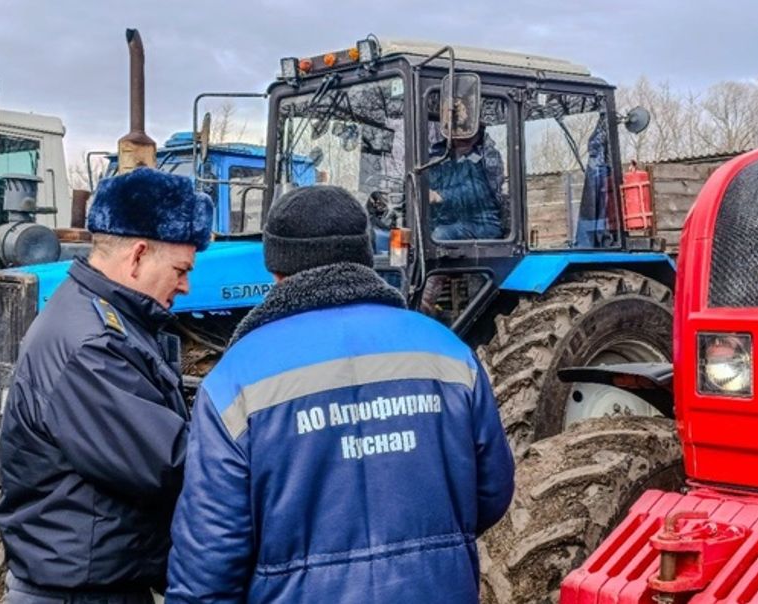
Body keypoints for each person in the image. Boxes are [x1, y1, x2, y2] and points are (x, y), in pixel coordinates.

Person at [166, 185, 515, 603]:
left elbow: (210, 557)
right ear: (365, 254)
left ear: (276, 269)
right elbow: (492, 491)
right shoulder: (448, 352)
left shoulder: (235, 380)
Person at [0, 167, 214, 604]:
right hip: (79, 593)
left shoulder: (101, 319)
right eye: (181, 269)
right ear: (136, 256)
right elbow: (170, 464)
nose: (186, 285)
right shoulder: (92, 346)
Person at [428, 124, 507, 240]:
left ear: (477, 132)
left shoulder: (487, 155)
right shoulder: (439, 155)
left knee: (439, 235)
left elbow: (478, 190)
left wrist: (439, 195)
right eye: (458, 132)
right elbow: (427, 180)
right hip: (449, 221)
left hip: (481, 223)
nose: (463, 139)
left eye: (467, 132)